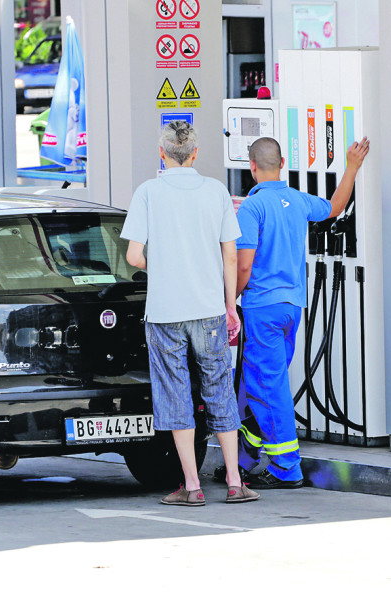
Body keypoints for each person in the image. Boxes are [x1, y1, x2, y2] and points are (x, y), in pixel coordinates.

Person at [122, 120, 259, 506]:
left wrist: (162, 265)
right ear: (195, 153)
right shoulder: (216, 191)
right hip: (209, 308)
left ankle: (192, 486)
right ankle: (235, 481)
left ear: (161, 154)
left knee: (175, 393)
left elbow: (134, 256)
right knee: (219, 389)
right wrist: (229, 305)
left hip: (165, 312)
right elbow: (230, 254)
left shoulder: (148, 192)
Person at [221, 135, 370, 489]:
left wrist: (230, 302)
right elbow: (335, 206)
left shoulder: (252, 208)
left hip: (262, 307)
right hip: (291, 308)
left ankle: (287, 468)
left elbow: (243, 267)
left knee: (268, 388)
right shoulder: (298, 200)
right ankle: (243, 459)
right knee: (249, 385)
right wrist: (351, 166)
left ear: (252, 167)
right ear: (283, 163)